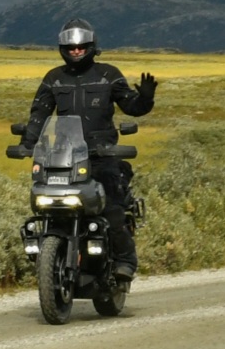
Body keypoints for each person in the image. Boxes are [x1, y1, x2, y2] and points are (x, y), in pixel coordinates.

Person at [17, 18, 156, 278]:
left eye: (81, 47)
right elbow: (39, 114)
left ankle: (126, 260)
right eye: (71, 48)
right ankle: (50, 254)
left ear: (91, 46)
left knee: (111, 207)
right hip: (63, 156)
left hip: (103, 156)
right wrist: (27, 144)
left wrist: (145, 98)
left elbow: (133, 107)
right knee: (49, 204)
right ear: (64, 49)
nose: (77, 51)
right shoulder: (53, 79)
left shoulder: (109, 75)